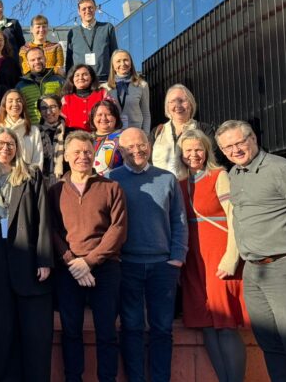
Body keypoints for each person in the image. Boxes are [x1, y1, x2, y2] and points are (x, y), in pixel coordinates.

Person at [216, 120, 286, 382]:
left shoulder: (283, 169)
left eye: (239, 143)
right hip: (254, 271)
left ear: (253, 139)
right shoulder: (234, 174)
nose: (235, 150)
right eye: (227, 147)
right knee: (270, 345)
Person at [109, 127, 188, 382]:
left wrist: (177, 257)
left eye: (141, 145)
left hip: (163, 265)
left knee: (162, 329)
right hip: (127, 264)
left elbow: (179, 220)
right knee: (131, 327)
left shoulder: (167, 179)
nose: (137, 150)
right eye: (130, 147)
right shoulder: (111, 179)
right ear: (120, 151)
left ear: (150, 146)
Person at [0, 129, 54, 381]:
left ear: (18, 148)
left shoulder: (31, 175)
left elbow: (43, 216)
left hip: (27, 255)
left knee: (33, 331)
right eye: (0, 143)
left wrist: (44, 258)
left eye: (10, 144)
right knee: (1, 327)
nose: (5, 148)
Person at [50, 130, 127, 382]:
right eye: (76, 152)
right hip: (69, 269)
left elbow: (118, 229)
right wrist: (73, 262)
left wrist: (89, 262)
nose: (82, 156)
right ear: (66, 156)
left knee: (107, 332)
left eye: (87, 152)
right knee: (71, 331)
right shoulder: (55, 190)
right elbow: (51, 229)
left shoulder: (111, 187)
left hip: (105, 268)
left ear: (94, 155)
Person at [176, 129, 247, 382]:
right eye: (188, 150)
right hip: (194, 261)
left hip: (218, 255)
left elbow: (233, 216)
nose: (193, 155)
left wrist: (231, 257)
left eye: (198, 149)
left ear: (207, 151)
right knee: (206, 324)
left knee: (225, 325)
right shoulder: (180, 182)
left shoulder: (220, 176)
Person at [151, 84, 218, 175]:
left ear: (191, 104)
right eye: (172, 101)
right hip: (162, 183)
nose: (178, 105)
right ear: (167, 107)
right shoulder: (157, 132)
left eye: (182, 101)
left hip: (195, 181)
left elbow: (213, 158)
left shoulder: (204, 129)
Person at [66, 0, 119, 79]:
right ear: (79, 12)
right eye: (84, 9)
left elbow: (115, 55)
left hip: (104, 80)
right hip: (81, 81)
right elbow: (69, 62)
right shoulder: (72, 33)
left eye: (90, 7)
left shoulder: (107, 28)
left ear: (95, 9)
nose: (87, 11)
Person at [0, 89, 43, 165]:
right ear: (4, 105)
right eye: (10, 101)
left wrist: (30, 172)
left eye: (18, 101)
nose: (15, 104)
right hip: (2, 172)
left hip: (28, 172)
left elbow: (38, 159)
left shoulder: (33, 131)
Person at [16, 46, 65, 125]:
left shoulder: (59, 80)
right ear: (27, 63)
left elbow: (67, 105)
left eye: (39, 58)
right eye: (32, 60)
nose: (37, 62)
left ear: (45, 59)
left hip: (56, 127)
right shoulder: (20, 86)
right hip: (32, 128)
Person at [105, 49, 150, 134]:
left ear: (131, 63)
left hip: (135, 132)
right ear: (113, 66)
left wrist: (146, 134)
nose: (122, 64)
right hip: (113, 133)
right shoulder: (105, 88)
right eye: (118, 61)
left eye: (125, 60)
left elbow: (146, 113)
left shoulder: (142, 85)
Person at [60, 64, 111, 132]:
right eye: (77, 75)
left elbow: (111, 114)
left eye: (85, 74)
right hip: (74, 136)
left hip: (99, 135)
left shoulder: (102, 93)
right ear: (72, 79)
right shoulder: (66, 99)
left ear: (91, 77)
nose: (81, 78)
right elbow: (62, 121)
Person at [90, 100, 125, 176]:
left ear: (116, 117)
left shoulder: (124, 137)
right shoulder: (86, 138)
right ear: (93, 117)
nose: (103, 118)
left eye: (108, 114)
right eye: (99, 115)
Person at [37, 94, 67, 179]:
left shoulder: (71, 133)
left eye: (53, 107)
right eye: (44, 108)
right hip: (42, 180)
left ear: (60, 108)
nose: (48, 112)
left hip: (65, 180)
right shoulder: (35, 133)